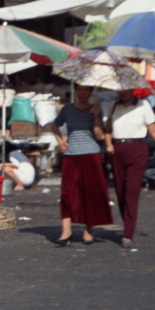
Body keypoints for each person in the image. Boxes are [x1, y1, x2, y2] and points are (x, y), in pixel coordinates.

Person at [104, 89, 155, 249]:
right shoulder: (114, 106)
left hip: (137, 149)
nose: (122, 92)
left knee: (132, 191)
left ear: (132, 90)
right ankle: (127, 223)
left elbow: (153, 129)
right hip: (117, 150)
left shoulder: (143, 105)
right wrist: (108, 144)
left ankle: (128, 234)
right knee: (121, 192)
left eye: (125, 89)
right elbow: (107, 129)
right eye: (120, 89)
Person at [44, 85, 111, 246]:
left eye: (85, 90)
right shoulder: (67, 109)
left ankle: (88, 231)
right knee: (67, 192)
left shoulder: (95, 109)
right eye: (79, 89)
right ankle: (66, 231)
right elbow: (55, 125)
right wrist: (60, 142)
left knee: (89, 192)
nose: (82, 93)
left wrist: (95, 118)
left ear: (90, 92)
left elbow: (99, 135)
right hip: (71, 155)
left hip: (91, 155)